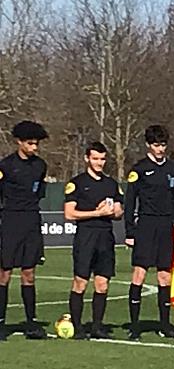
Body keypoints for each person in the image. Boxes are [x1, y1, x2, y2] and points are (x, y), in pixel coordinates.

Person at [124, 124, 174, 340]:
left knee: (164, 275)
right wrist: (130, 232)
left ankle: (164, 325)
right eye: (156, 145)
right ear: (148, 145)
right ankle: (134, 327)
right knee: (140, 272)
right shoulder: (139, 169)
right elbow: (130, 202)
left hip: (165, 226)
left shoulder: (171, 168)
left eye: (162, 145)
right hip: (146, 226)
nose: (160, 149)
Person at [63, 142, 123, 340]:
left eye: (102, 159)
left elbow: (119, 212)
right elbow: (69, 213)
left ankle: (97, 326)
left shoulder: (111, 184)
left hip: (105, 236)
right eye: (95, 158)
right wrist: (96, 212)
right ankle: (78, 326)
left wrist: (114, 210)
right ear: (87, 158)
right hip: (86, 236)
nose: (99, 163)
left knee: (102, 283)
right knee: (81, 281)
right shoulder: (77, 183)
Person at [0, 120, 50, 340]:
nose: (34, 148)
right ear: (19, 142)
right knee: (4, 273)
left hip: (31, 221)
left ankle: (31, 323)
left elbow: (39, 192)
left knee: (29, 274)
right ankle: (1, 324)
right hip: (10, 221)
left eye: (36, 144)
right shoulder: (5, 166)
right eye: (30, 143)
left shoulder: (40, 166)